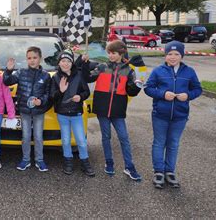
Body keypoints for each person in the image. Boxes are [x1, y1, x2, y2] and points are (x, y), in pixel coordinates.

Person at [144, 41, 202, 189]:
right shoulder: (158, 71)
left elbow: (198, 89)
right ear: (165, 55)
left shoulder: (189, 72)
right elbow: (148, 88)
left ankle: (170, 171)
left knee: (173, 143)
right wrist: (163, 94)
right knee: (159, 143)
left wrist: (187, 95)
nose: (173, 57)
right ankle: (158, 172)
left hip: (180, 116)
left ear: (182, 55)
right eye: (170, 54)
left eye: (176, 54)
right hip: (160, 115)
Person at [82, 40, 142, 181]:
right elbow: (88, 77)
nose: (111, 55)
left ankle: (129, 166)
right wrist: (84, 64)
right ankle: (109, 163)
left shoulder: (129, 70)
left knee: (124, 138)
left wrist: (137, 86)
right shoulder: (102, 67)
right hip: (102, 109)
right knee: (106, 137)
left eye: (113, 53)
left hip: (118, 110)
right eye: (109, 53)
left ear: (121, 53)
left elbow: (131, 91)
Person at [3, 46, 51, 172]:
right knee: (25, 136)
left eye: (35, 58)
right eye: (29, 58)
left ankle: (40, 160)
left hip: (39, 112)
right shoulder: (21, 72)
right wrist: (8, 70)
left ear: (40, 59)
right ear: (26, 59)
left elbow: (48, 93)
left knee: (38, 137)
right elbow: (7, 81)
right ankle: (26, 160)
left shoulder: (46, 76)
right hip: (24, 111)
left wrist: (41, 101)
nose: (32, 60)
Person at [50, 50, 94, 176]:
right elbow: (52, 96)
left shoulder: (79, 75)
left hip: (76, 114)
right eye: (63, 61)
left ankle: (85, 162)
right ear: (59, 63)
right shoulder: (55, 77)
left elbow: (86, 92)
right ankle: (68, 161)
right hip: (62, 114)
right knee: (65, 140)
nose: (65, 64)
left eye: (68, 61)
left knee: (81, 140)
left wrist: (80, 97)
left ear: (72, 62)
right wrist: (61, 91)